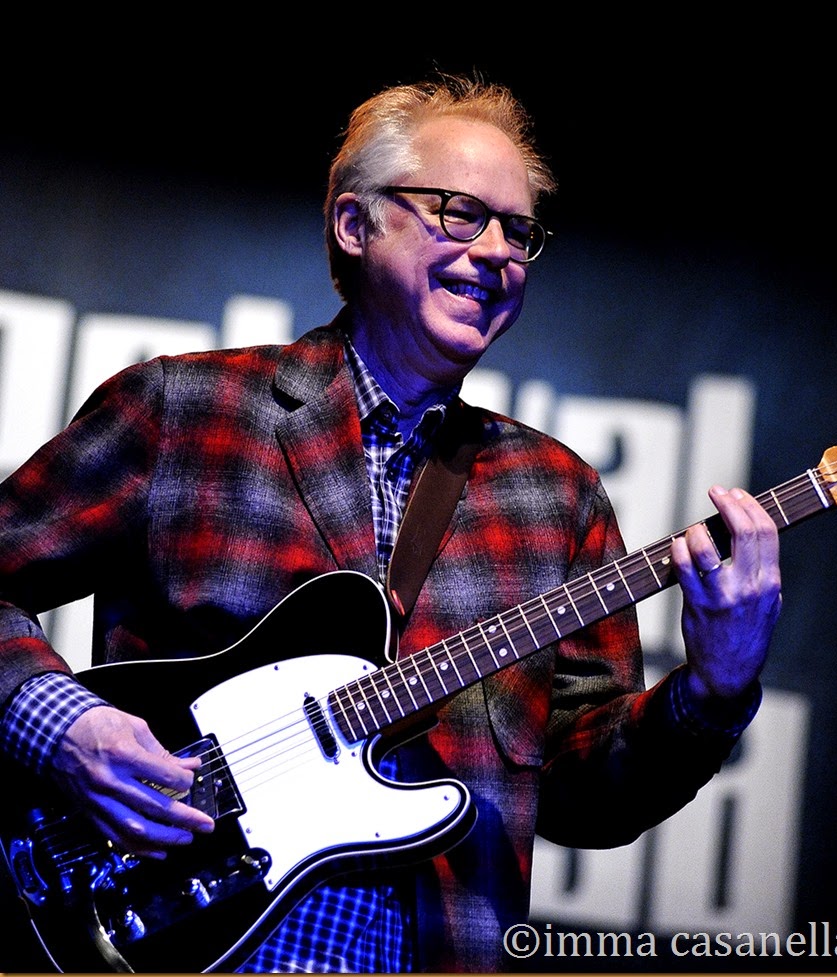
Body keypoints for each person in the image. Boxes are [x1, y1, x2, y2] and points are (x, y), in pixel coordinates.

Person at [0, 75, 781, 972]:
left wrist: (714, 692)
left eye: (519, 232)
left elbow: (586, 799)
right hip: (161, 925)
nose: (496, 252)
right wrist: (60, 727)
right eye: (459, 212)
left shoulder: (555, 495)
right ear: (354, 225)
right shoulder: (188, 408)